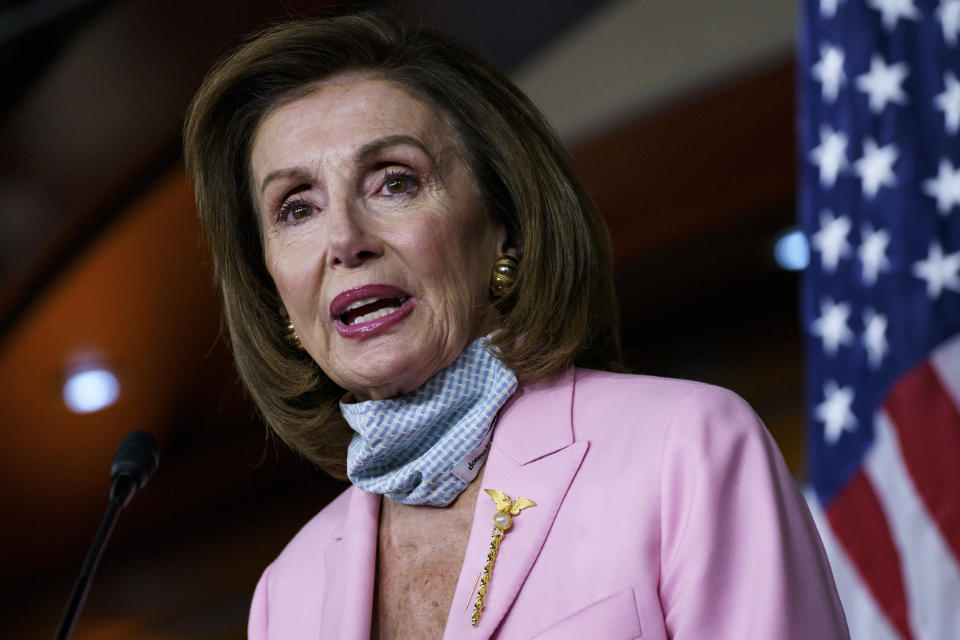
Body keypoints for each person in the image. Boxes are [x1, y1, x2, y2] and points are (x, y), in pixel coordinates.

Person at [183, 12, 849, 640]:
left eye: (394, 182)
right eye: (296, 209)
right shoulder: (287, 597)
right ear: (273, 291)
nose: (345, 239)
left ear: (503, 225)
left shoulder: (685, 448)